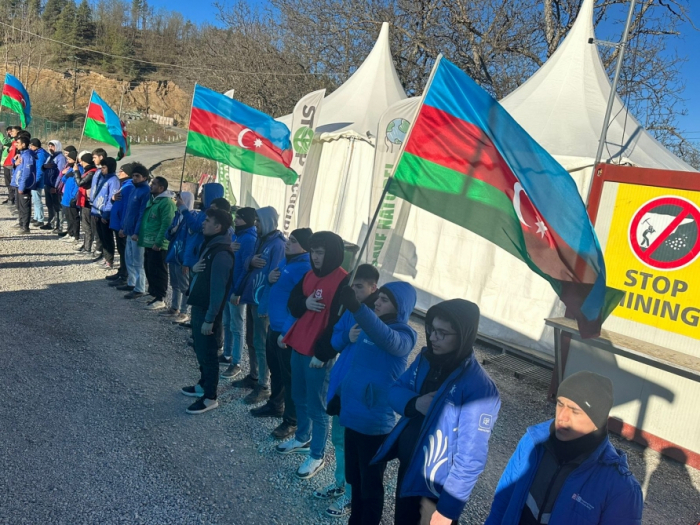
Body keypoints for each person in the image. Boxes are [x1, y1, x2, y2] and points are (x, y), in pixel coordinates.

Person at [373, 299, 501, 525]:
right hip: (410, 471)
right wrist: (414, 402)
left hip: (436, 487)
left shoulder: (479, 388)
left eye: (442, 333)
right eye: (432, 329)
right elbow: (394, 390)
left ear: (463, 335)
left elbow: (470, 458)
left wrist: (448, 510)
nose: (432, 338)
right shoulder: (426, 359)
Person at [484, 371, 643, 525]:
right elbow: (502, 501)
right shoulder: (533, 443)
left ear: (598, 420)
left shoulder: (620, 488)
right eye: (560, 404)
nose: (562, 417)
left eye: (575, 411)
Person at [334, 279, 417, 524]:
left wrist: (357, 307)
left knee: (370, 487)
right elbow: (356, 368)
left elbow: (387, 339)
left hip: (374, 423)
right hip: (352, 414)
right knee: (354, 479)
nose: (378, 302)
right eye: (378, 297)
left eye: (385, 299)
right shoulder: (370, 326)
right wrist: (339, 394)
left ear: (400, 306)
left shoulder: (405, 335)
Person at [275, 231, 350, 480]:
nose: (316, 257)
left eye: (321, 252)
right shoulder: (309, 274)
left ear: (332, 254)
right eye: (314, 252)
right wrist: (304, 303)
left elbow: (339, 322)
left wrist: (325, 352)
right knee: (298, 396)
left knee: (318, 406)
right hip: (298, 344)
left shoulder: (343, 281)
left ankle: (317, 455)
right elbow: (293, 302)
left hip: (318, 352)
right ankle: (301, 438)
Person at [315, 264, 381, 518]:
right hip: (341, 384)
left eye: (360, 286)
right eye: (353, 286)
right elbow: (335, 339)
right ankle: (340, 483)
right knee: (339, 440)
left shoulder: (377, 314)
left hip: (359, 393)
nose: (354, 291)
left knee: (354, 448)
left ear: (373, 287)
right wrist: (348, 338)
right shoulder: (348, 310)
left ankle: (352, 496)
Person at [250, 228, 313, 440]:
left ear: (305, 247)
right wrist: (268, 279)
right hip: (274, 326)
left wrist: (286, 331)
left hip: (286, 332)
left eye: (293, 241)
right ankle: (275, 405)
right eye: (289, 239)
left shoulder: (304, 268)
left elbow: (299, 306)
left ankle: (291, 421)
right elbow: (273, 286)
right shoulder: (288, 261)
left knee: (290, 377)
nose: (288, 243)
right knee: (276, 370)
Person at [180, 208, 235, 415]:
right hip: (200, 306)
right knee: (200, 350)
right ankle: (203, 384)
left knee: (209, 353)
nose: (203, 223)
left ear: (218, 227)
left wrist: (210, 319)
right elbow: (201, 272)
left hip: (208, 311)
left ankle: (210, 397)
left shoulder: (221, 253)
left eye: (208, 221)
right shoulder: (211, 244)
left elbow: (218, 290)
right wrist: (193, 269)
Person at [235, 206, 286, 405]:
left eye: (258, 221)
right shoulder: (261, 239)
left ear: (267, 221)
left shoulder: (278, 245)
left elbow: (275, 276)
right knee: (253, 339)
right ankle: (254, 375)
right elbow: (248, 261)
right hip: (252, 297)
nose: (255, 224)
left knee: (262, 343)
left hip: (262, 301)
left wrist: (266, 305)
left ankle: (263, 385)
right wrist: (250, 261)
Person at [221, 206, 257, 379]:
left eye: (240, 218)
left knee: (237, 326)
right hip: (229, 285)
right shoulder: (237, 235)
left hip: (237, 289)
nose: (236, 220)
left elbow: (246, 268)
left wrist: (238, 290)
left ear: (248, 220)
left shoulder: (249, 239)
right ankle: (227, 353)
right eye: (236, 217)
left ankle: (236, 362)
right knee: (227, 322)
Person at [138, 176, 176, 310]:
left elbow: (166, 224)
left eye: (154, 184)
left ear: (161, 188)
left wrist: (159, 242)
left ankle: (161, 297)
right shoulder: (154, 200)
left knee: (159, 270)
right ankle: (153, 294)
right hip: (148, 242)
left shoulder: (166, 203)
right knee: (149, 268)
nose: (151, 185)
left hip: (158, 244)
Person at [119, 163, 151, 299]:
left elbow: (142, 214)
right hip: (129, 230)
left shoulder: (146, 192)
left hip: (136, 234)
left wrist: (137, 232)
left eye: (137, 176)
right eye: (133, 176)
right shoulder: (134, 189)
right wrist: (124, 228)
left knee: (138, 261)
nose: (134, 178)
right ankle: (131, 283)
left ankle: (140, 287)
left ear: (144, 177)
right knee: (129, 258)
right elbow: (128, 211)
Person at [163, 191, 195, 322]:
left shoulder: (192, 217)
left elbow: (191, 241)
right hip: (173, 253)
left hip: (182, 256)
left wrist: (187, 261)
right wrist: (171, 231)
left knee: (184, 286)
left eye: (179, 199)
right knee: (174, 283)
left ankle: (184, 311)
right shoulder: (177, 215)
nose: (177, 201)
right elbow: (168, 233)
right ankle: (174, 307)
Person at [106, 163, 136, 285]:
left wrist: (123, 226)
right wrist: (113, 199)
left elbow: (126, 208)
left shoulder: (129, 187)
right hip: (117, 223)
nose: (119, 173)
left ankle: (124, 275)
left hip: (121, 225)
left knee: (124, 251)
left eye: (122, 171)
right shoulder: (124, 185)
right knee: (121, 249)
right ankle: (121, 271)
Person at [91, 157, 121, 270]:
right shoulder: (102, 178)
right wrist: (94, 211)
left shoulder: (114, 180)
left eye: (104, 167)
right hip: (98, 212)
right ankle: (105, 257)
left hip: (105, 214)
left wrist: (106, 214)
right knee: (101, 237)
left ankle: (109, 260)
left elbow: (111, 199)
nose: (102, 169)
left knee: (107, 238)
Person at [12, 135, 36, 234]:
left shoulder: (28, 156)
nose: (16, 145)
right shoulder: (22, 154)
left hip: (24, 185)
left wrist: (22, 186)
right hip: (18, 184)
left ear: (24, 144)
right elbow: (18, 169)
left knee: (25, 206)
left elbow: (27, 172)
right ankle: (21, 223)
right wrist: (14, 162)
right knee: (20, 206)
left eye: (18, 143)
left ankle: (25, 227)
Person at [41, 140, 67, 231]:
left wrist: (55, 186)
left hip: (54, 186)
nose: (50, 148)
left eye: (52, 146)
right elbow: (44, 167)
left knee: (57, 207)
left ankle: (59, 225)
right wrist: (44, 166)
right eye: (49, 146)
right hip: (47, 184)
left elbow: (60, 173)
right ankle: (50, 223)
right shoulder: (50, 157)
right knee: (49, 205)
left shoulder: (60, 158)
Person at [75, 153, 98, 254]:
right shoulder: (88, 171)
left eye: (82, 161)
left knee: (87, 225)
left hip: (88, 202)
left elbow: (80, 182)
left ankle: (88, 247)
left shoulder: (92, 172)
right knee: (85, 225)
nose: (81, 163)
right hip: (83, 200)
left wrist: (76, 171)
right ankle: (85, 244)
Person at [59, 150, 80, 243]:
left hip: (71, 197)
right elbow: (63, 179)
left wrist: (74, 196)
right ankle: (69, 232)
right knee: (68, 217)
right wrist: (66, 174)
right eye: (67, 159)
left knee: (73, 217)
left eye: (70, 159)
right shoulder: (70, 168)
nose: (68, 161)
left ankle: (75, 235)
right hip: (65, 197)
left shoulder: (78, 168)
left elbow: (78, 185)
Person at [28, 138, 49, 228]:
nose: (29, 147)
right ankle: (36, 216)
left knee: (37, 200)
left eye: (31, 145)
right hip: (36, 179)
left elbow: (40, 170)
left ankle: (40, 219)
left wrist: (35, 181)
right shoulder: (39, 153)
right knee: (35, 199)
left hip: (38, 181)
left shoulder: (40, 155)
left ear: (34, 146)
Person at [2, 126, 20, 206]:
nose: (11, 133)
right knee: (7, 182)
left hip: (11, 165)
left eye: (12, 131)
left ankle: (13, 198)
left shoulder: (18, 142)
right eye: (9, 131)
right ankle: (11, 197)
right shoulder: (13, 142)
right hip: (7, 163)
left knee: (11, 182)